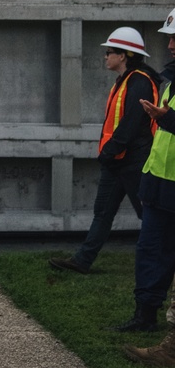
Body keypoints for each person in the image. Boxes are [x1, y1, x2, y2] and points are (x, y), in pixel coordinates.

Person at [51, 28, 158, 275]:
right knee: (103, 213)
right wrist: (110, 154)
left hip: (133, 162)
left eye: (109, 52)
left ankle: (158, 264)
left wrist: (110, 150)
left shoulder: (140, 81)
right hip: (118, 162)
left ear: (124, 55)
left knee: (150, 217)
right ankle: (82, 261)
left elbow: (132, 122)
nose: (105, 56)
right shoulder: (127, 80)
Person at [115, 7, 175, 352]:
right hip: (157, 179)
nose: (169, 45)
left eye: (174, 38)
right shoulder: (170, 80)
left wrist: (170, 119)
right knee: (150, 251)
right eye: (169, 38)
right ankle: (145, 313)